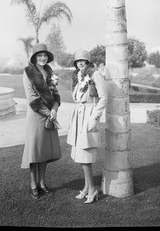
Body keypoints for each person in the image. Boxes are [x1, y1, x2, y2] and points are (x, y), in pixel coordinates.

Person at [21, 43, 61, 200]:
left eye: (44, 55)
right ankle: (33, 185)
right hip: (36, 115)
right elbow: (31, 97)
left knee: (44, 150)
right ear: (34, 58)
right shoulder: (28, 72)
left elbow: (56, 94)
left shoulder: (51, 72)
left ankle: (42, 184)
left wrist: (55, 109)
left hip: (50, 115)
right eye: (39, 56)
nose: (43, 58)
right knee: (34, 151)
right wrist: (48, 111)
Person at [67, 49, 107, 204]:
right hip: (79, 114)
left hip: (89, 114)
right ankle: (86, 187)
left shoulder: (95, 74)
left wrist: (94, 117)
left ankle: (92, 190)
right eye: (78, 61)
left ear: (88, 61)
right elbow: (77, 96)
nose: (80, 63)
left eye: (83, 60)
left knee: (85, 156)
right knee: (80, 155)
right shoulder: (78, 76)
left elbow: (103, 98)